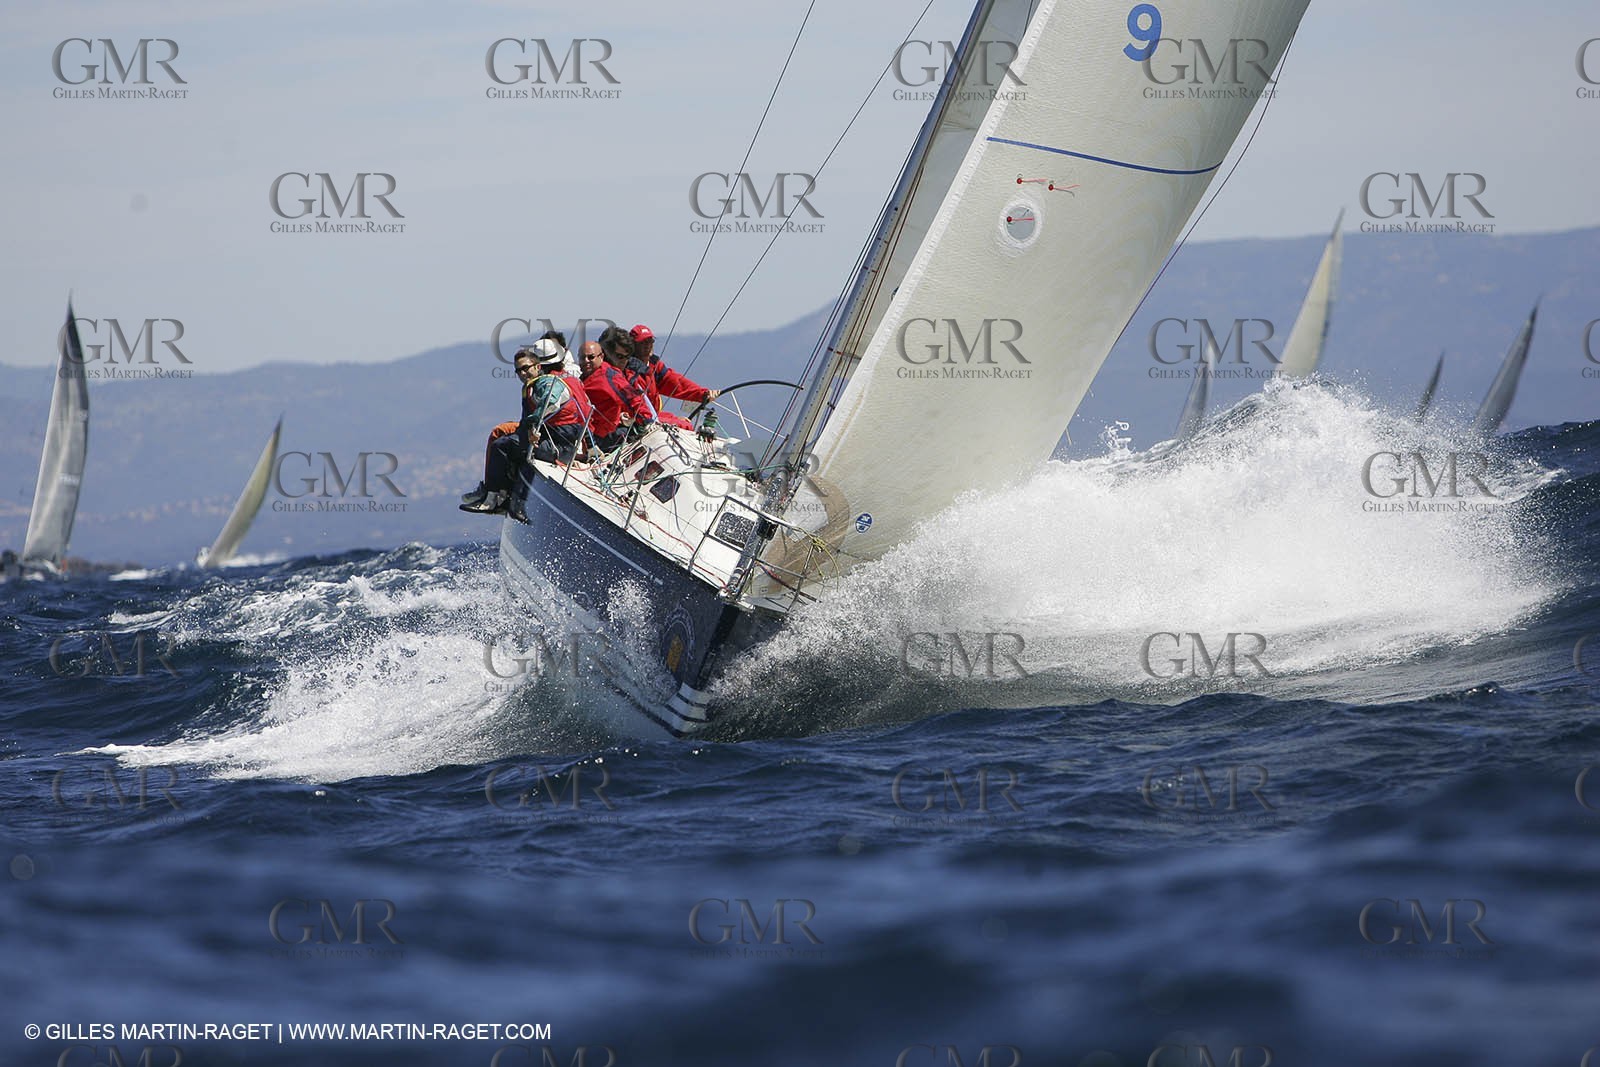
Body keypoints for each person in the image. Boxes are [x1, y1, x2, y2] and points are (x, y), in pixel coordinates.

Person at [460, 347, 539, 510]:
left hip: (538, 435)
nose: (522, 373)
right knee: (499, 432)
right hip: (527, 429)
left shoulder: (540, 385)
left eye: (525, 368)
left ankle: (493, 497)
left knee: (500, 445)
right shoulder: (527, 387)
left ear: (537, 366)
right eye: (518, 371)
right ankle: (494, 492)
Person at [628, 324, 720, 430]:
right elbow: (639, 409)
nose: (648, 345)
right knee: (685, 425)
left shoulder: (654, 367)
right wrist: (674, 421)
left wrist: (703, 394)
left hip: (652, 416)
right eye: (643, 342)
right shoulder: (629, 371)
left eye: (650, 341)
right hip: (639, 420)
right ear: (633, 346)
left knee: (683, 422)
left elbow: (677, 384)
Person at [577, 340, 632, 453]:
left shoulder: (609, 377)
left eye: (591, 357)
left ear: (601, 357)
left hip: (608, 438)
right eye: (582, 358)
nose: (586, 361)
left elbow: (632, 398)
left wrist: (645, 421)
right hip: (590, 437)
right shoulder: (582, 380)